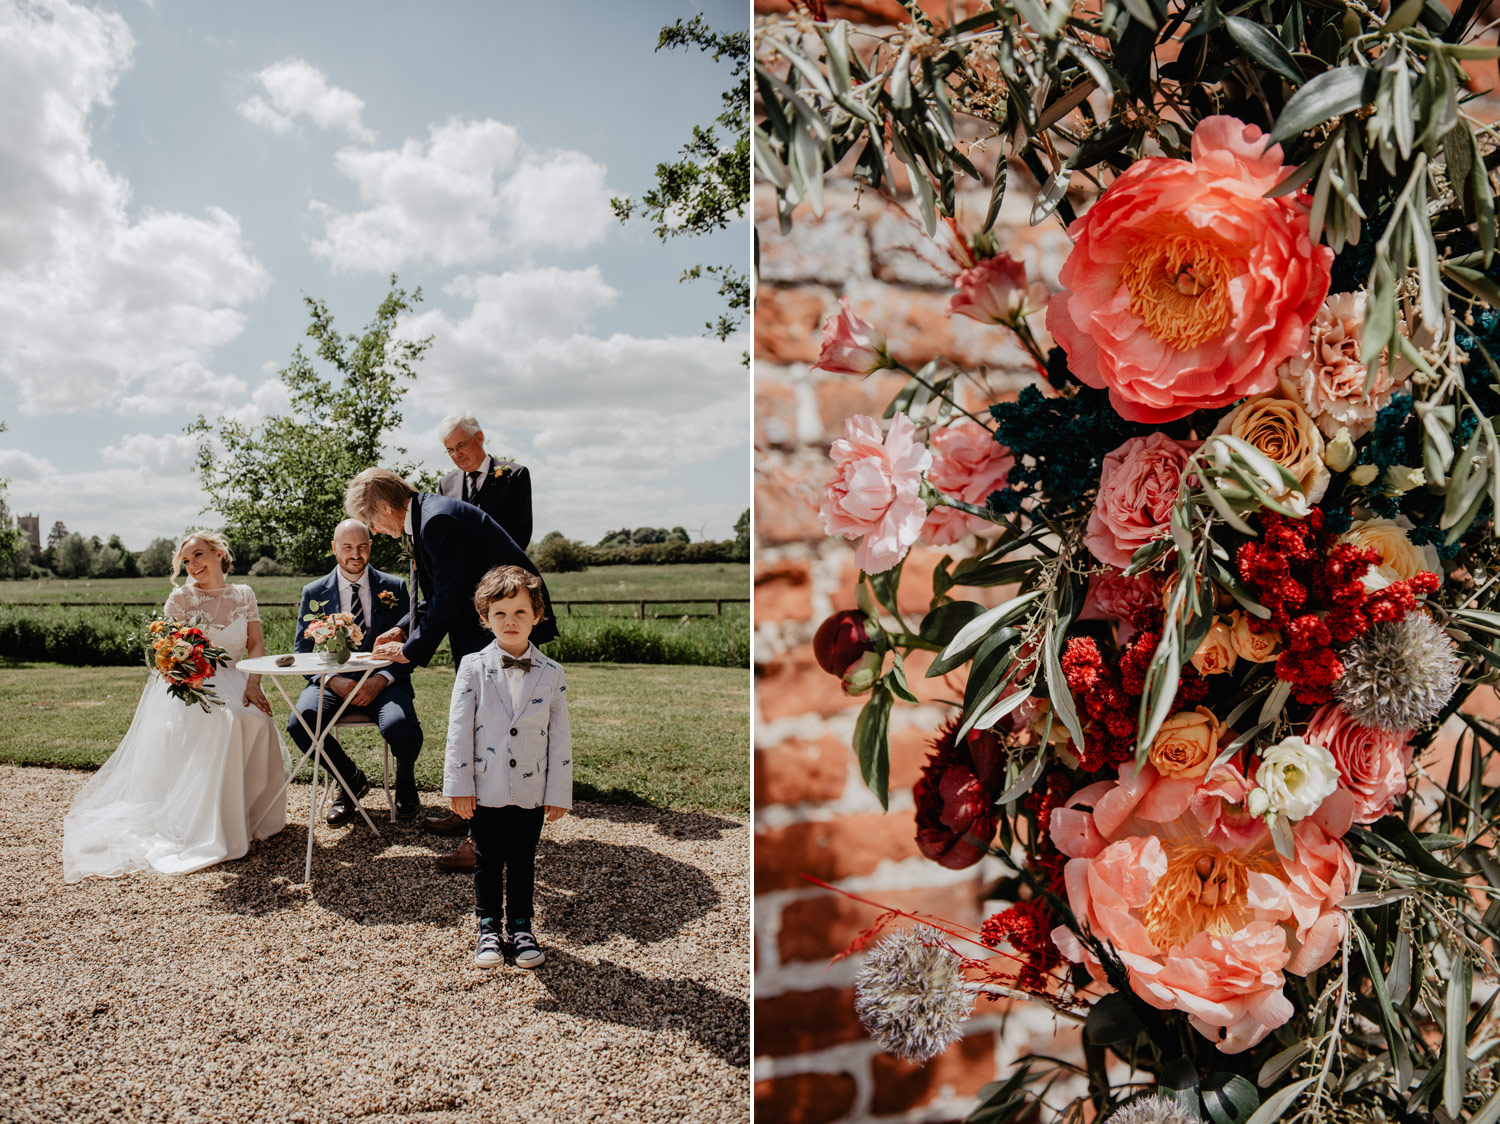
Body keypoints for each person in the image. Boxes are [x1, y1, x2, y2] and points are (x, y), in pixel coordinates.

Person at [344, 466, 559, 870]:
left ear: (386, 507)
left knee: (493, 731)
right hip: (480, 630)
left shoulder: (436, 521)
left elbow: (447, 601)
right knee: (479, 728)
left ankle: (481, 844)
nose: (373, 531)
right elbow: (438, 594)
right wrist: (400, 628)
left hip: (504, 626)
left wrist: (409, 652)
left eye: (371, 521)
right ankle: (469, 816)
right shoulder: (428, 517)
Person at [62, 532, 289, 881]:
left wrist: (253, 684)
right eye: (186, 561)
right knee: (227, 721)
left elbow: (256, 644)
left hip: (239, 679)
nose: (193, 564)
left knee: (257, 718)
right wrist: (190, 676)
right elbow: (167, 656)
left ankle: (253, 816)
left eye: (198, 555)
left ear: (218, 554)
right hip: (196, 688)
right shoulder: (180, 600)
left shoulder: (243, 595)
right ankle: (216, 828)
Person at [444, 565, 571, 969]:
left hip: (531, 791)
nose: (510, 621)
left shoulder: (553, 674)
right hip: (484, 788)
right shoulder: (472, 667)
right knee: (486, 858)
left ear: (537, 615)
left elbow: (560, 737)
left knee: (523, 858)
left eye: (519, 612)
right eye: (499, 614)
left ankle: (521, 927)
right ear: (484, 619)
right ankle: (487, 929)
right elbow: (459, 730)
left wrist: (557, 793)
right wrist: (459, 785)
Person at [287, 519, 423, 823]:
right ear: (335, 549)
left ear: (370, 547)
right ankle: (350, 779)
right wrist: (333, 681)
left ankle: (405, 782)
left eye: (362, 546)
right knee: (301, 724)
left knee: (401, 726)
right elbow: (302, 652)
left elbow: (412, 645)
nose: (355, 554)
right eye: (347, 547)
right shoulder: (314, 591)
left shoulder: (395, 587)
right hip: (330, 682)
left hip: (385, 682)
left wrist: (381, 679)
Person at [435, 412, 533, 549]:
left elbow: (520, 534)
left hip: (502, 568)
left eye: (461, 446)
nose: (456, 455)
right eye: (450, 450)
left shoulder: (515, 475)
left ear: (479, 438)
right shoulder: (445, 485)